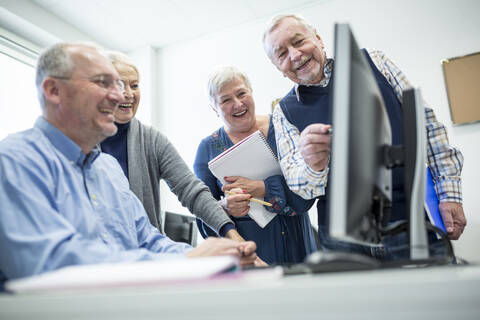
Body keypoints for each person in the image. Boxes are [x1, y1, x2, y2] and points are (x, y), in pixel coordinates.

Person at [0, 42, 256, 286]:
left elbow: (149, 239)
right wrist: (185, 262)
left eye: (127, 85)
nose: (119, 95)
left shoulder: (109, 171)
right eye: (103, 83)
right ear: (54, 91)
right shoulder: (14, 162)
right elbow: (49, 261)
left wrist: (210, 255)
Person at [262, 14, 467, 259]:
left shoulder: (376, 63)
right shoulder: (283, 112)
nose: (294, 55)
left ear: (318, 38)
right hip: (343, 244)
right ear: (278, 68)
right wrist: (312, 165)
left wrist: (449, 194)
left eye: (298, 42)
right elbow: (300, 187)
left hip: (410, 222)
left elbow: (428, 127)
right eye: (282, 54)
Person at [100, 51, 245, 242]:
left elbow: (190, 190)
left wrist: (231, 234)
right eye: (120, 85)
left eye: (134, 85)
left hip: (145, 254)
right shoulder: (84, 140)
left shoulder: (152, 140)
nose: (129, 93)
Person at [194, 65, 317, 265]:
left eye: (242, 93)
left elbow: (308, 188)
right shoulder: (208, 148)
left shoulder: (283, 128)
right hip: (251, 259)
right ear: (214, 108)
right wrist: (224, 207)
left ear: (251, 92)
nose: (237, 104)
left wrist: (262, 188)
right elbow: (202, 213)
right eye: (225, 100)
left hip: (300, 250)